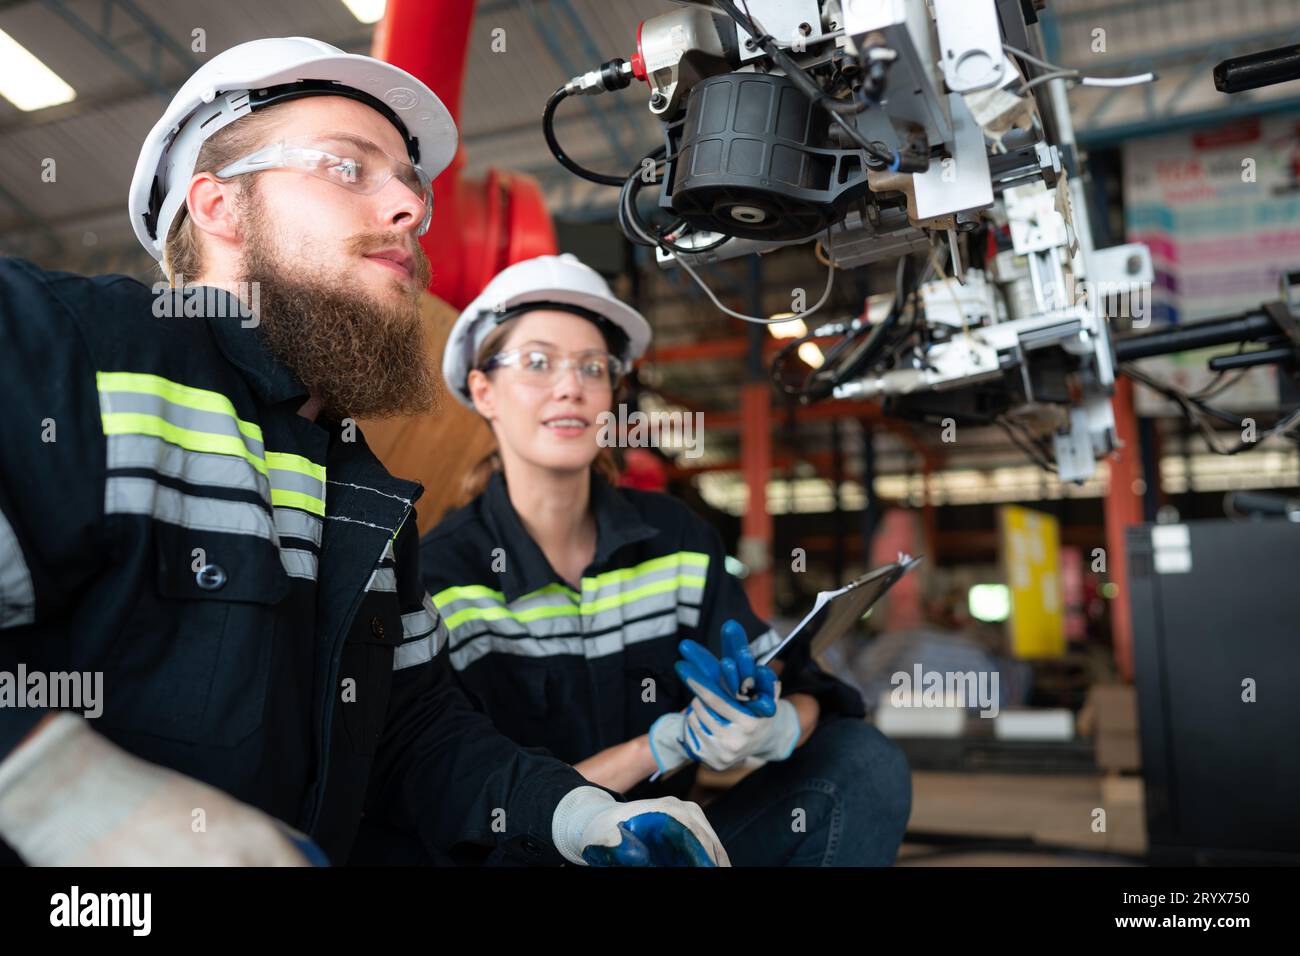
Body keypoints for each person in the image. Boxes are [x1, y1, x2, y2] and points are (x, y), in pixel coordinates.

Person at [0, 37, 727, 868]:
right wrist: (61, 794)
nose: (412, 210)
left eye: (411, 185)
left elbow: (409, 731)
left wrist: (573, 813)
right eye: (349, 168)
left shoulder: (357, 486)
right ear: (217, 205)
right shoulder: (59, 347)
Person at [421, 254, 913, 866]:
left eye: (593, 367)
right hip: (532, 855)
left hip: (674, 853)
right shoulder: (440, 576)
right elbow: (462, 793)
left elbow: (800, 683)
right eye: (539, 362)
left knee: (862, 764)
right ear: (483, 389)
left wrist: (775, 722)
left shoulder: (674, 539)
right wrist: (664, 745)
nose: (570, 386)